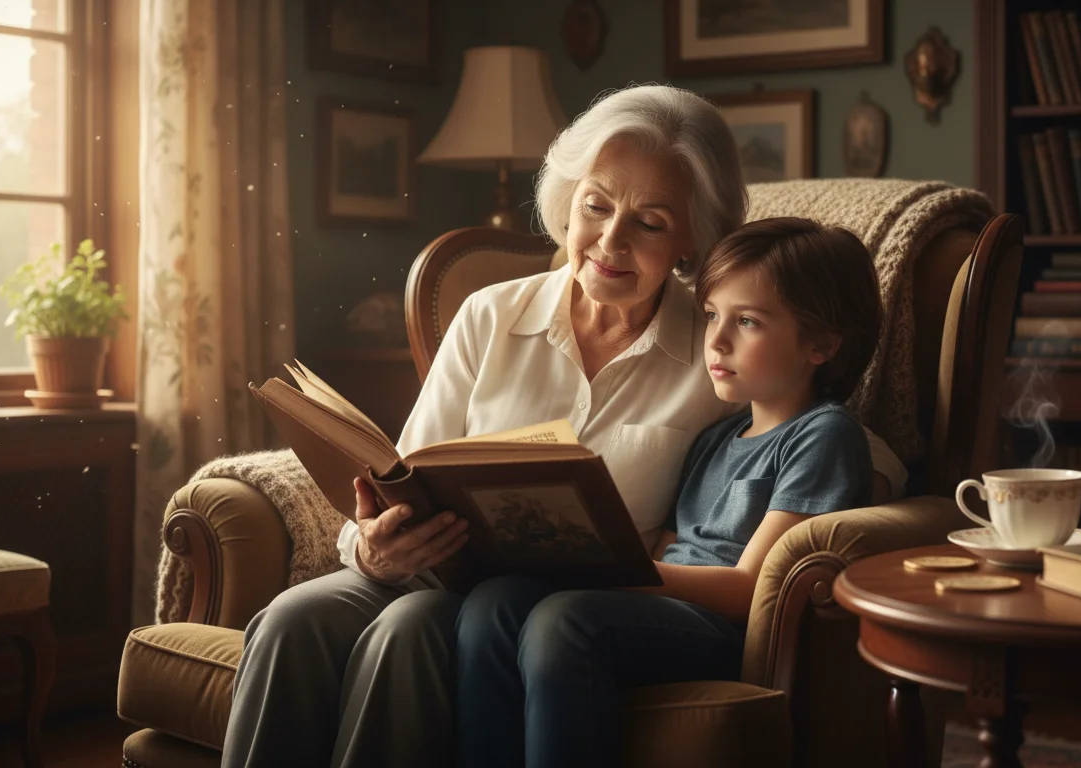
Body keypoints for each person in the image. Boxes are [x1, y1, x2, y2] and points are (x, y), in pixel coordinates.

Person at [221, 85, 907, 768]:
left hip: (551, 599)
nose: (611, 240)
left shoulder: (717, 347)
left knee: (409, 629)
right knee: (289, 619)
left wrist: (868, 484)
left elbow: (831, 433)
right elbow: (398, 473)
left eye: (650, 221)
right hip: (423, 571)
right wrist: (373, 547)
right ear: (569, 201)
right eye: (596, 206)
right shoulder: (489, 315)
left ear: (693, 235)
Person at [453, 217, 882, 768]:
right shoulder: (714, 439)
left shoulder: (822, 434)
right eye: (711, 316)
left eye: (747, 321)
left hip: (724, 630)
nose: (717, 340)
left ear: (821, 343)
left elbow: (750, 588)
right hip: (661, 614)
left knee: (565, 619)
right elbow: (668, 551)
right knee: (495, 602)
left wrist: (599, 570)